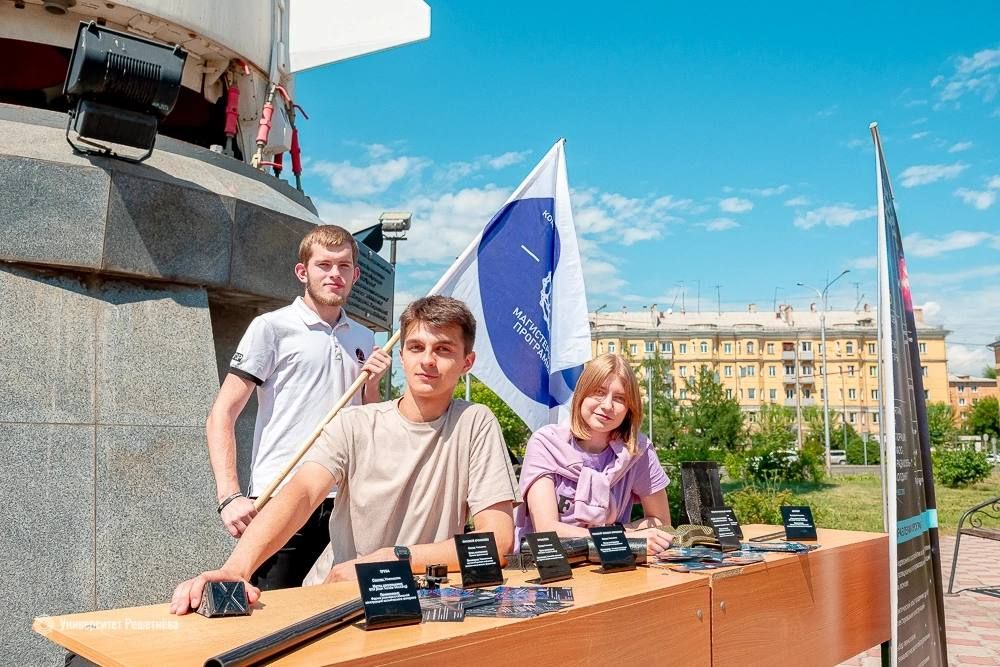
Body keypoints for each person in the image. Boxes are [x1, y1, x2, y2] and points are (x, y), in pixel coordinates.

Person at [170, 296, 519, 614]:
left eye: (443, 349)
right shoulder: (354, 423)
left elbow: (498, 541)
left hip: (420, 604)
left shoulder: (475, 422)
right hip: (335, 599)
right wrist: (236, 568)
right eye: (416, 347)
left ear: (467, 362)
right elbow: (302, 493)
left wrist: (390, 559)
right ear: (401, 356)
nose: (427, 360)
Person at [206, 224, 391, 591]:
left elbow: (369, 419)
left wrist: (372, 385)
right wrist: (229, 496)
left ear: (356, 275)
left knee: (341, 609)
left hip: (345, 500)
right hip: (282, 495)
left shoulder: (364, 337)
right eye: (324, 265)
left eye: (344, 266)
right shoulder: (271, 327)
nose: (335, 274)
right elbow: (221, 414)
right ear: (303, 272)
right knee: (272, 608)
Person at [514, 353, 673, 555]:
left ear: (630, 408)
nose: (607, 405)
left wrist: (618, 536)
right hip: (548, 563)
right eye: (599, 392)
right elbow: (546, 530)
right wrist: (622, 538)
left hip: (613, 562)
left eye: (620, 398)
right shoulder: (546, 444)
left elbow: (661, 521)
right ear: (582, 394)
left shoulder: (637, 450)